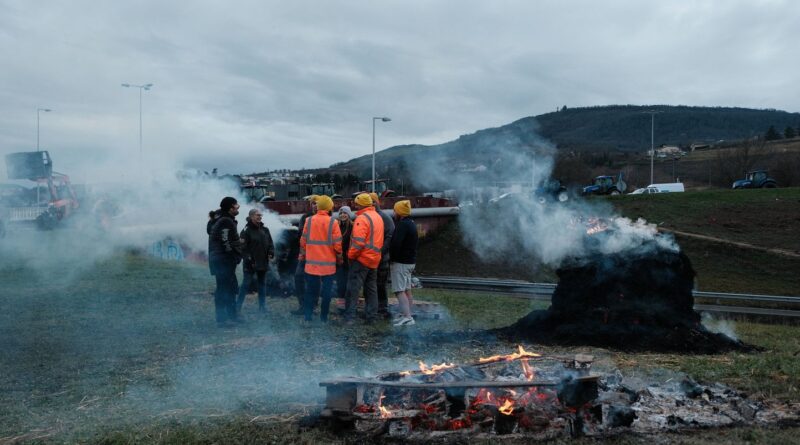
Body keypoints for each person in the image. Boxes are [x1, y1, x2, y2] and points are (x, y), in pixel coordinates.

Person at [299, 195, 342, 323]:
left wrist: (302, 256)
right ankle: (323, 318)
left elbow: (303, 241)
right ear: (329, 207)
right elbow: (338, 244)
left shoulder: (309, 220)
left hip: (311, 264)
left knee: (310, 291)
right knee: (327, 293)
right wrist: (339, 258)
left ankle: (308, 317)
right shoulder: (333, 222)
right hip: (328, 265)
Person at [343, 193, 384, 324]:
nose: (355, 205)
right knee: (371, 289)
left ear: (360, 204)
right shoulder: (377, 217)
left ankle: (350, 317)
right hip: (374, 259)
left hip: (361, 260)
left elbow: (358, 243)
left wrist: (350, 255)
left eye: (356, 203)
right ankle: (371, 316)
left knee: (352, 289)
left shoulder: (362, 219)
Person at [209, 197, 243, 327]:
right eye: (236, 205)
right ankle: (222, 319)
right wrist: (233, 256)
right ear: (230, 208)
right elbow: (225, 242)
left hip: (222, 259)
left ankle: (231, 315)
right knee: (223, 289)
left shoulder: (223, 219)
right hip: (223, 260)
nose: (238, 207)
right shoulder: (225, 221)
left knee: (230, 287)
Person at [236, 208, 274, 315]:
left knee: (262, 284)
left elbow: (270, 243)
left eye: (261, 215)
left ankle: (262, 307)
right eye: (258, 215)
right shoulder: (246, 230)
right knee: (246, 284)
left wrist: (271, 252)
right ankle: (238, 306)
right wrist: (250, 259)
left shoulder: (265, 230)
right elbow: (243, 248)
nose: (260, 217)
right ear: (251, 216)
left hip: (263, 262)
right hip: (250, 263)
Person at [390, 200, 418, 326]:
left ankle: (407, 317)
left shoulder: (402, 225)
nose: (393, 212)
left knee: (399, 290)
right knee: (407, 290)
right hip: (410, 261)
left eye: (395, 210)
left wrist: (392, 258)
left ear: (400, 212)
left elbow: (396, 244)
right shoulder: (411, 223)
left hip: (401, 262)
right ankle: (407, 314)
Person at [369, 192, 395, 319]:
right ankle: (373, 307)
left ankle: (383, 308)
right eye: (370, 201)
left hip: (382, 259)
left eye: (373, 201)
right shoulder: (368, 216)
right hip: (370, 259)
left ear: (377, 202)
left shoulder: (385, 218)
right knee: (371, 285)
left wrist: (380, 252)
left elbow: (390, 237)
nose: (372, 204)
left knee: (380, 284)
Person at [292, 195, 318, 315]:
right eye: (313, 203)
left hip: (318, 255)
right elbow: (300, 235)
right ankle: (302, 305)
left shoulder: (326, 218)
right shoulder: (305, 217)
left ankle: (313, 305)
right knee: (299, 277)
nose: (315, 205)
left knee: (314, 280)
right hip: (305, 254)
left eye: (317, 203)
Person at [335, 206, 355, 302]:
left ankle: (349, 302)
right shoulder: (336, 226)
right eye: (341, 213)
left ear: (349, 215)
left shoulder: (353, 226)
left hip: (348, 259)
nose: (342, 215)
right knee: (340, 281)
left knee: (348, 281)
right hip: (338, 259)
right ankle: (341, 303)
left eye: (345, 213)